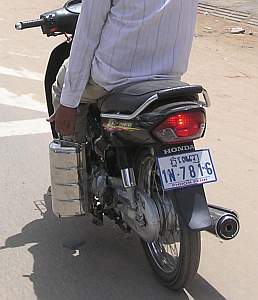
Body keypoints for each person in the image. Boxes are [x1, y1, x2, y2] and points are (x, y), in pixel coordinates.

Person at [49, 0, 199, 138]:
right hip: (169, 77)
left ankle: (74, 159)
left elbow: (87, 35)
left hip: (115, 78)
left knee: (63, 87)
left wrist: (68, 103)